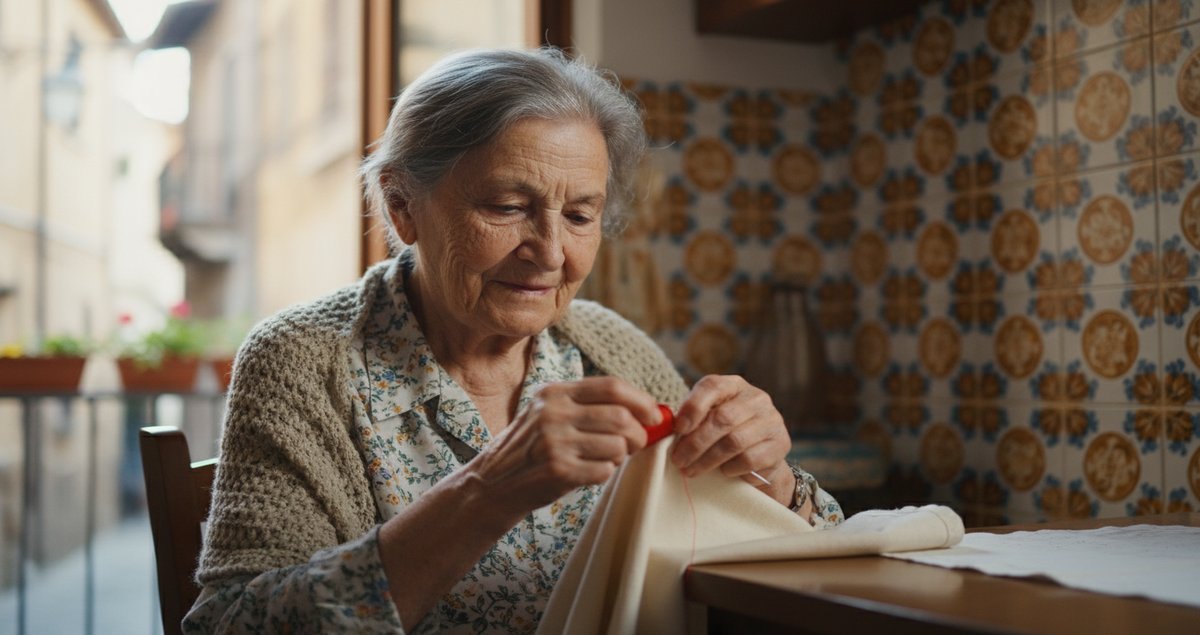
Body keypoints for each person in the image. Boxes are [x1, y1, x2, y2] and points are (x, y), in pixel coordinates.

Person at [184, 47, 842, 634]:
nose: (550, 253)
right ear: (402, 205)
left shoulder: (612, 350)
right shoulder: (303, 360)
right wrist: (489, 488)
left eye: (579, 214)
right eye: (506, 207)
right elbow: (230, 625)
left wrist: (773, 482)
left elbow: (803, 562)